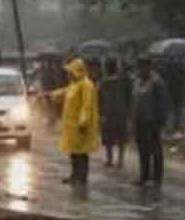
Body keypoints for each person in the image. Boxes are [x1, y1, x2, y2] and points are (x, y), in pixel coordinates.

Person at [52, 58, 101, 186]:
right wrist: (50, 94)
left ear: (76, 71)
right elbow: (64, 92)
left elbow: (87, 106)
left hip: (80, 126)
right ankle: (74, 176)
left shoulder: (87, 85)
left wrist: (83, 122)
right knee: (73, 152)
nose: (67, 75)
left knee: (81, 153)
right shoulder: (74, 84)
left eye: (70, 72)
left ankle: (82, 178)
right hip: (72, 126)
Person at [132, 56, 171, 189]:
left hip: (152, 121)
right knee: (142, 149)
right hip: (139, 120)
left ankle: (157, 178)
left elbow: (163, 102)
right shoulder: (137, 81)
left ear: (149, 67)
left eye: (142, 66)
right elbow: (135, 100)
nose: (140, 70)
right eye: (138, 67)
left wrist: (161, 121)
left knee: (155, 150)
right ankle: (144, 176)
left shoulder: (157, 82)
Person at [99, 58, 133, 169]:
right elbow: (129, 96)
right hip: (121, 112)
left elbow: (99, 98)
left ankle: (110, 160)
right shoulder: (124, 80)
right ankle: (120, 160)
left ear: (106, 68)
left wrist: (100, 113)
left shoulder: (104, 82)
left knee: (108, 138)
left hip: (108, 113)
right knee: (121, 137)